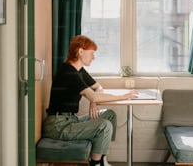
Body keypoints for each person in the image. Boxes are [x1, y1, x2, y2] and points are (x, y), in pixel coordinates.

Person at [43, 35, 138, 166]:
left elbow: (98, 87)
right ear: (80, 51)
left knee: (109, 115)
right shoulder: (68, 73)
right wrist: (124, 96)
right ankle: (95, 163)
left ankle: (102, 158)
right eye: (92, 53)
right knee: (104, 125)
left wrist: (93, 101)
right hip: (58, 126)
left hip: (71, 120)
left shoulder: (79, 70)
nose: (94, 58)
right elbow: (94, 95)